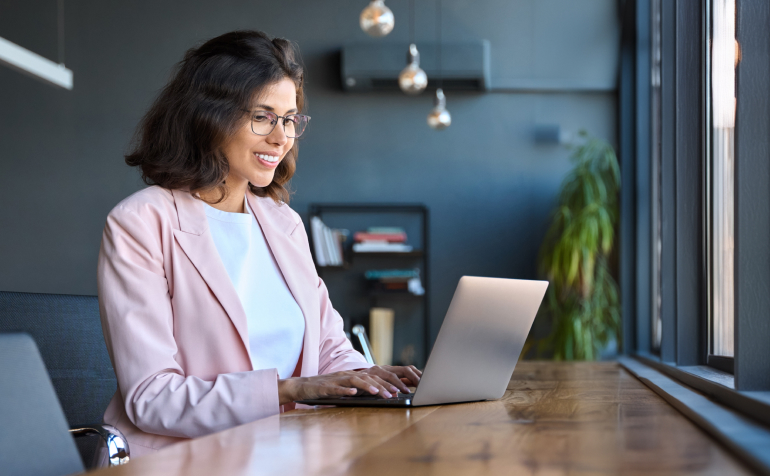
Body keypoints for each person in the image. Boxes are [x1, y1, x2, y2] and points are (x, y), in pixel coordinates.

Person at [98, 30, 421, 457]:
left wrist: (373, 380)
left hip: (293, 451)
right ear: (208, 116)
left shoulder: (283, 223)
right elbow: (153, 397)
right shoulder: (141, 222)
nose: (281, 137)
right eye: (263, 117)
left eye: (289, 119)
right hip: (188, 459)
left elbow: (328, 349)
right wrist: (290, 389)